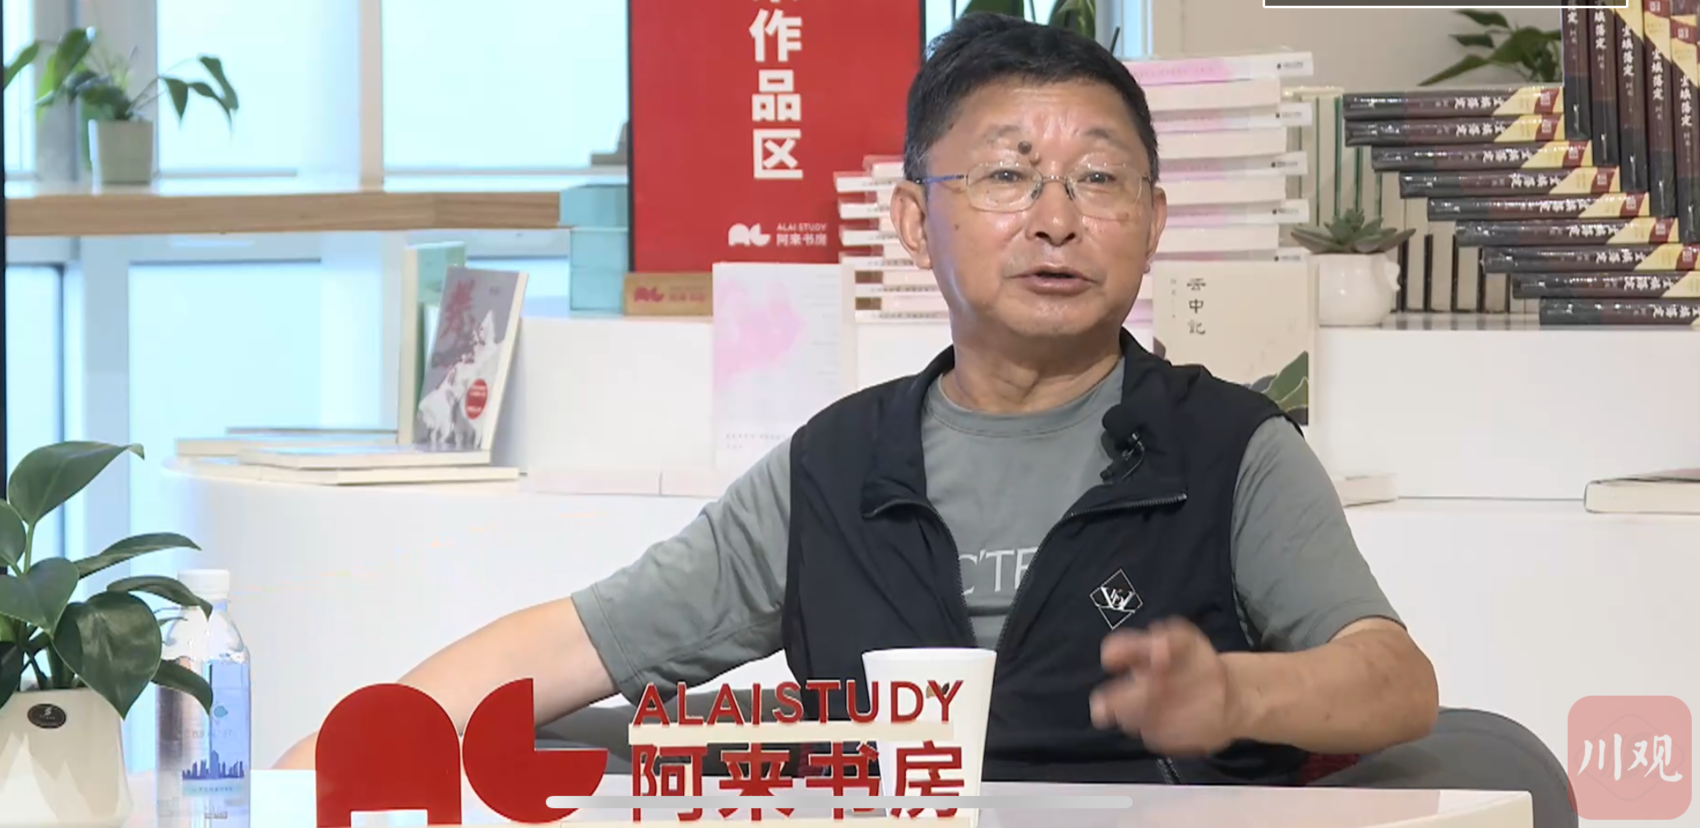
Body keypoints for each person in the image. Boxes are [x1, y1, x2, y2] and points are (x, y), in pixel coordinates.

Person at [275, 12, 1439, 785]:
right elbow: (572, 644)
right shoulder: (833, 470)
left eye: (1097, 178)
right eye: (1005, 175)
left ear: (1152, 222)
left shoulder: (1230, 447)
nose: (1054, 218)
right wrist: (318, 767)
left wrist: (1231, 692)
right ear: (912, 220)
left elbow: (1392, 682)